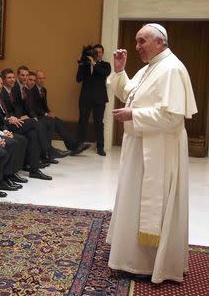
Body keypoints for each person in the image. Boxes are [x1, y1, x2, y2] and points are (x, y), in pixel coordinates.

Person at [106, 23, 197, 284]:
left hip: (159, 149)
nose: (136, 47)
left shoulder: (171, 69)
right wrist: (120, 71)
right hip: (140, 144)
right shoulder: (151, 68)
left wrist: (133, 114)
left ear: (160, 42)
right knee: (133, 198)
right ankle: (129, 256)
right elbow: (128, 93)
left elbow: (172, 116)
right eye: (136, 41)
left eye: (141, 41)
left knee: (149, 203)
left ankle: (147, 262)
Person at [76, 44, 111, 156]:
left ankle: (100, 147)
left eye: (99, 52)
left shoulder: (106, 65)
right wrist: (81, 64)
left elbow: (104, 74)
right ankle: (78, 145)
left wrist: (94, 63)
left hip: (100, 99)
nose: (97, 54)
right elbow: (78, 79)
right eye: (95, 52)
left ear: (102, 53)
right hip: (85, 97)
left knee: (99, 123)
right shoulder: (85, 65)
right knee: (82, 121)